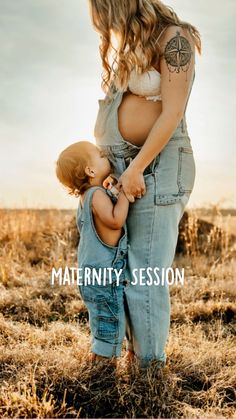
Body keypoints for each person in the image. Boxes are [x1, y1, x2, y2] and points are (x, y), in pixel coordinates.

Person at [87, 0, 201, 368]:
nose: (106, 25)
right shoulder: (133, 42)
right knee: (116, 270)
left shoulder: (174, 38)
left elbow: (172, 111)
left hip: (156, 169)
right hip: (124, 170)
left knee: (145, 274)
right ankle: (132, 354)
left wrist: (135, 168)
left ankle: (149, 371)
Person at [55, 141, 130, 367]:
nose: (104, 154)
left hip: (91, 271)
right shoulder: (96, 194)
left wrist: (114, 190)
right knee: (110, 320)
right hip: (104, 273)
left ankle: (98, 358)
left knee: (101, 319)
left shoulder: (88, 197)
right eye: (99, 154)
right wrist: (126, 192)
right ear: (90, 170)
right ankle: (103, 368)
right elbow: (115, 220)